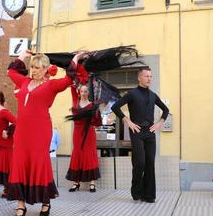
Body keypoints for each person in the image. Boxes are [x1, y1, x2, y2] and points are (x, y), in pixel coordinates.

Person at [6, 50, 84, 216]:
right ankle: (21, 204)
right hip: (22, 131)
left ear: (45, 69)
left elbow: (69, 79)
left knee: (39, 162)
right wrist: (23, 55)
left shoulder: (51, 85)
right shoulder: (24, 81)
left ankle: (46, 201)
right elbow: (10, 72)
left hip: (40, 130)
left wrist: (76, 59)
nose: (33, 70)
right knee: (20, 162)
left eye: (37, 67)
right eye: (32, 67)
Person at [112, 67, 169, 203]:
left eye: (151, 76)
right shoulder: (132, 94)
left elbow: (166, 110)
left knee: (150, 163)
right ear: (139, 78)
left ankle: (148, 195)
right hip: (137, 132)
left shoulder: (153, 95)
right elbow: (115, 107)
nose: (149, 79)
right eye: (146, 76)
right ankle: (136, 191)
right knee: (140, 162)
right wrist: (128, 122)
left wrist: (159, 123)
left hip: (150, 132)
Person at [66, 84, 101, 192]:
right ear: (79, 92)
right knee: (77, 153)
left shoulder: (92, 105)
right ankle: (76, 182)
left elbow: (97, 122)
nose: (84, 93)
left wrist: (97, 112)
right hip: (77, 133)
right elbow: (72, 88)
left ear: (88, 93)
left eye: (86, 91)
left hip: (89, 133)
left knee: (89, 154)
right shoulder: (75, 103)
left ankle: (92, 182)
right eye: (82, 91)